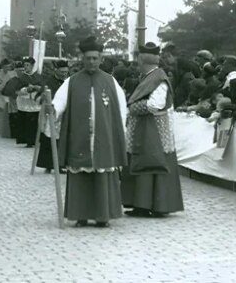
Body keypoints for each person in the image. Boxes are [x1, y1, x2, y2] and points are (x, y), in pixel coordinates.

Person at [52, 37, 127, 228]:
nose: (92, 62)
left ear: (101, 58)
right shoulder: (72, 81)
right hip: (80, 136)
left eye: (95, 58)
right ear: (82, 59)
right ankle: (81, 215)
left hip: (103, 136)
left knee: (102, 172)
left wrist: (120, 131)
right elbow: (59, 101)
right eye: (88, 58)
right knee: (81, 173)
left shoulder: (110, 82)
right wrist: (53, 109)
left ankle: (103, 216)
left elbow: (121, 108)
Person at [121, 42, 184, 218]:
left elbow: (156, 104)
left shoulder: (158, 78)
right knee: (144, 161)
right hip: (145, 128)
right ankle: (141, 204)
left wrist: (134, 107)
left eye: (138, 60)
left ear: (143, 60)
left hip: (154, 130)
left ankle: (154, 205)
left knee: (151, 162)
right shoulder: (150, 76)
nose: (137, 64)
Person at [36, 60, 69, 172]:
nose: (64, 74)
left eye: (65, 71)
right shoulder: (49, 81)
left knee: (63, 139)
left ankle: (60, 164)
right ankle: (48, 164)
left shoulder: (69, 81)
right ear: (56, 70)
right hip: (51, 113)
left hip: (65, 114)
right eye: (61, 71)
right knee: (49, 138)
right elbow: (39, 96)